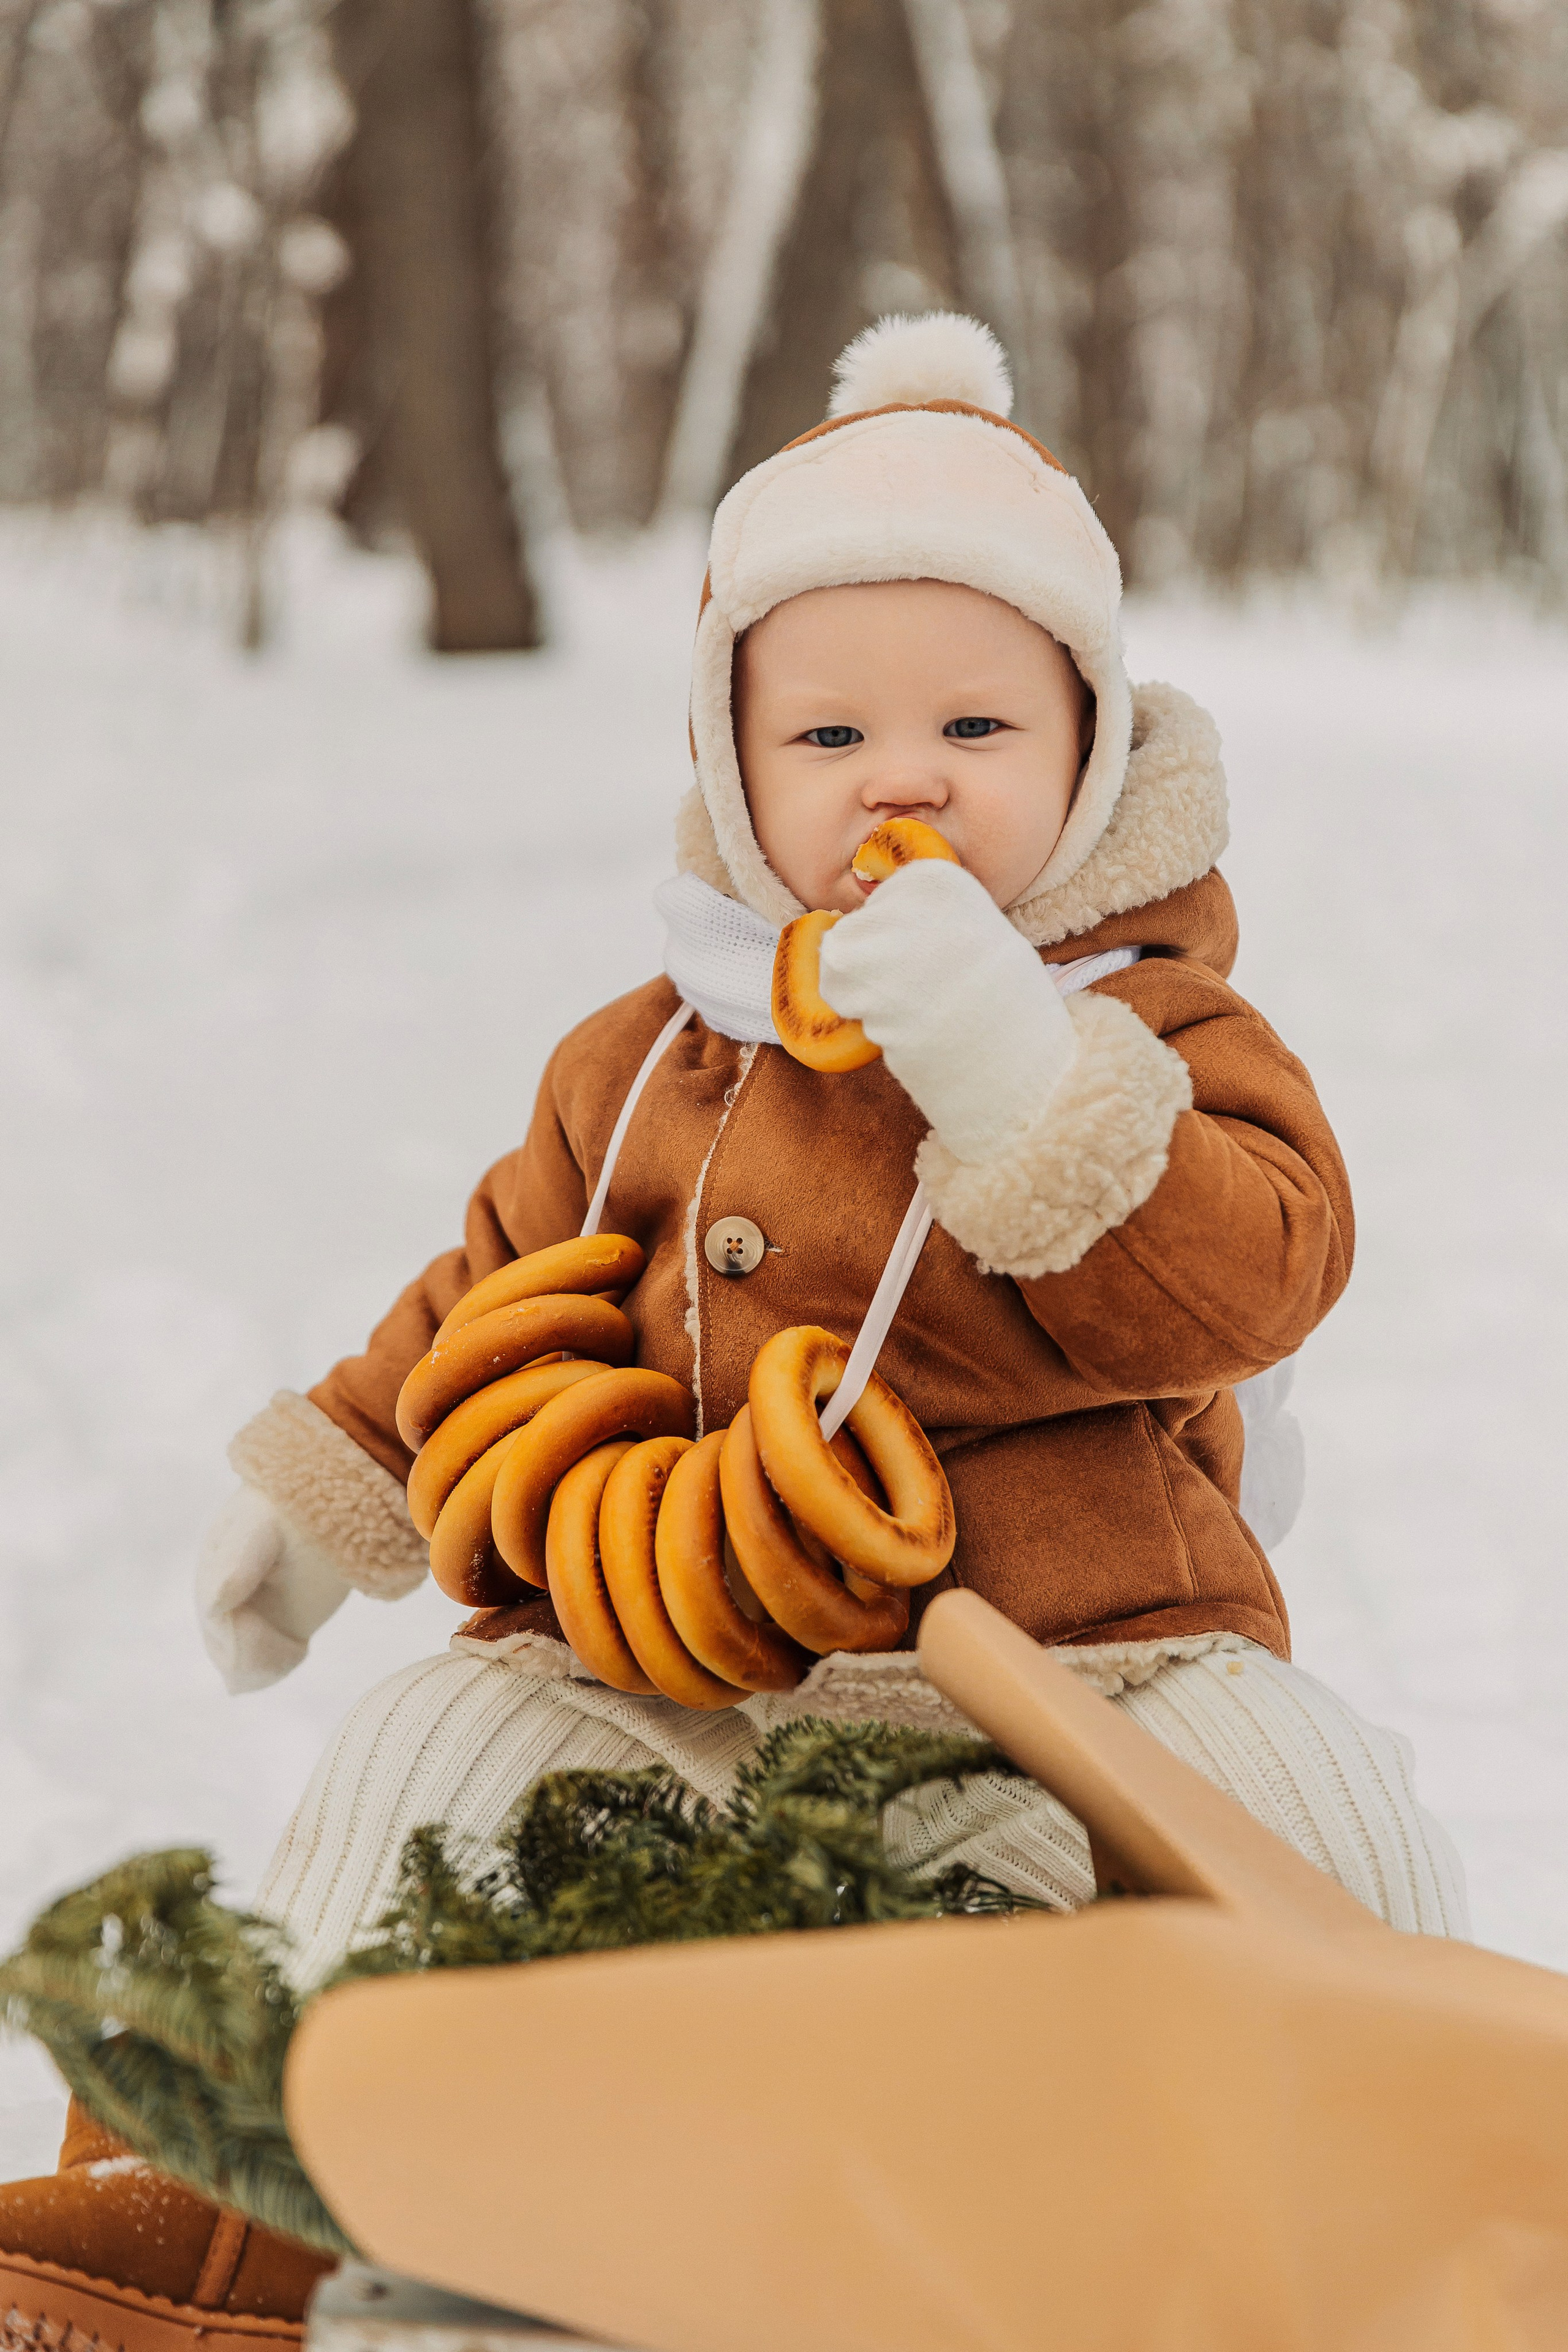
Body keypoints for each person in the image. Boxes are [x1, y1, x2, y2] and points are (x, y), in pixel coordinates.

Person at [0, 313, 1467, 2348]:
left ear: (1093, 744)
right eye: (830, 738)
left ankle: (1402, 2182)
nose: (907, 786)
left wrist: (1022, 1070)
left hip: (1090, 1666)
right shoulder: (652, 1057)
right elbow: (504, 1282)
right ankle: (296, 2180)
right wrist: (340, 1485)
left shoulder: (1158, 1023)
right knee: (430, 1753)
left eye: (978, 731)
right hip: (677, 1660)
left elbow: (1262, 1269)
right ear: (729, 761)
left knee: (1314, 1811)